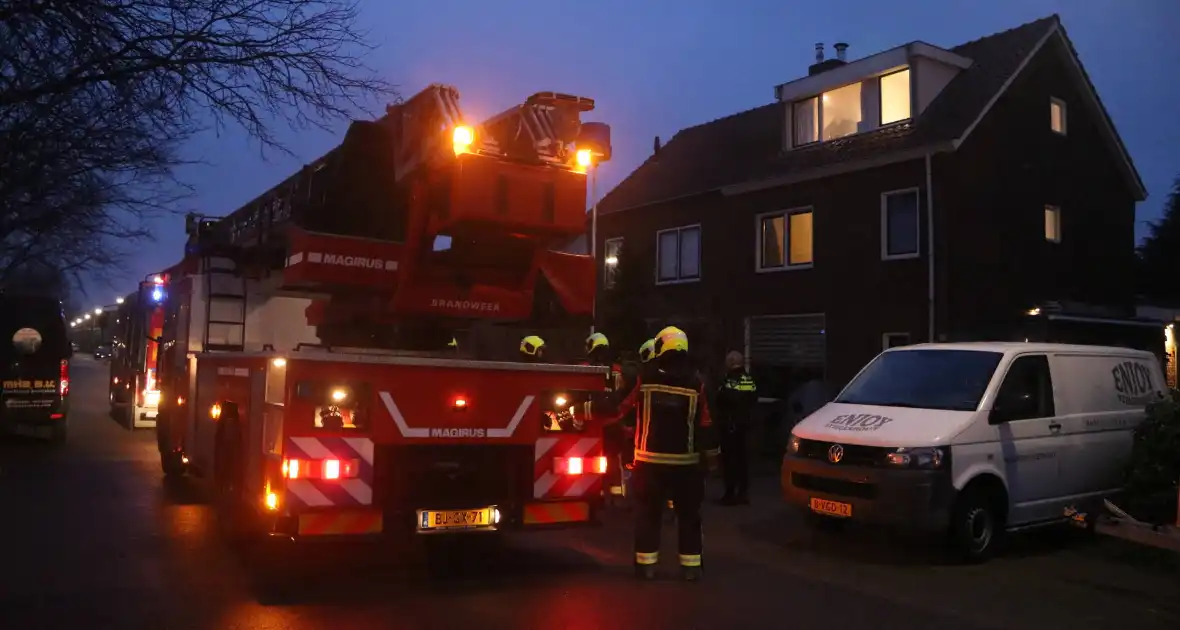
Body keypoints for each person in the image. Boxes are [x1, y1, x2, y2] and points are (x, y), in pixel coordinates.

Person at [611, 326, 717, 581]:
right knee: (689, 517)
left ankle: (646, 567)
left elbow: (619, 406)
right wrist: (710, 459)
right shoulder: (697, 383)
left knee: (648, 515)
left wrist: (584, 411)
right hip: (687, 465)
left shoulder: (645, 378)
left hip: (650, 464)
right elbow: (707, 424)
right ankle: (691, 568)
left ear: (661, 347)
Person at [713, 350, 757, 505]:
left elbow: (723, 398)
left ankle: (730, 494)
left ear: (731, 362)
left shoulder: (730, 380)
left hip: (730, 425)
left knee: (730, 461)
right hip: (744, 426)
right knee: (742, 460)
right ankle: (743, 493)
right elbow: (752, 399)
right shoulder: (748, 379)